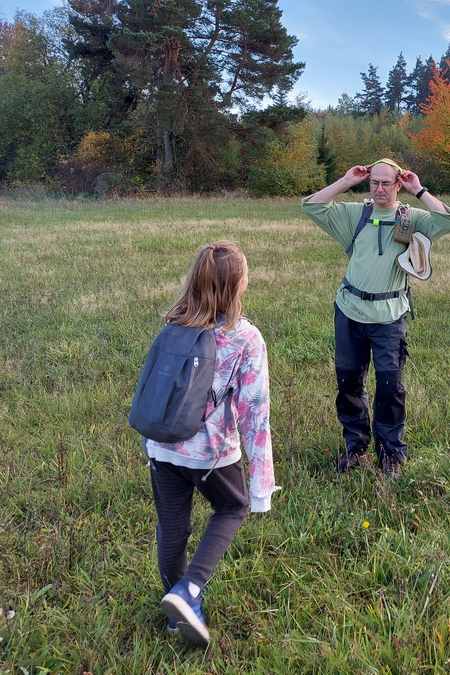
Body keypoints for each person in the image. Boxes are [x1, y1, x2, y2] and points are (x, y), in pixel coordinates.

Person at [147, 241, 277, 647]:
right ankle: (189, 590)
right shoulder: (245, 337)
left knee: (172, 527)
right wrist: (261, 485)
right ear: (237, 285)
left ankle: (176, 616)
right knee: (232, 506)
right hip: (209, 453)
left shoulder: (173, 325)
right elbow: (255, 412)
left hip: (161, 445)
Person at [302, 158, 450, 478]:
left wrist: (419, 190)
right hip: (349, 311)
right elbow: (312, 206)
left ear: (398, 184)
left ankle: (390, 453)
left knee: (390, 386)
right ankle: (355, 447)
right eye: (374, 182)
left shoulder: (411, 218)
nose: (379, 189)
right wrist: (346, 181)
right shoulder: (355, 215)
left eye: (387, 183)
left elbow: (447, 220)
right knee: (348, 382)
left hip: (389, 316)